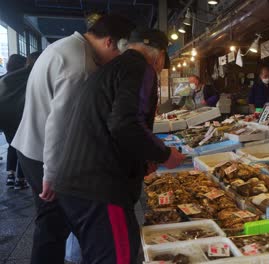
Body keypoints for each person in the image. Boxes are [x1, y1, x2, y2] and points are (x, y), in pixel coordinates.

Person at [53, 28, 185, 263]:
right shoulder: (140, 68)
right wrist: (165, 154)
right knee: (118, 257)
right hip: (99, 190)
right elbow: (125, 124)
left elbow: (113, 125)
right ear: (159, 56)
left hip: (77, 186)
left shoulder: (113, 68)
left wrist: (143, 159)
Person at [11, 15, 134, 264]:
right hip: (42, 153)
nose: (117, 61)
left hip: (32, 146)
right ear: (110, 42)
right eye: (121, 52)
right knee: (53, 227)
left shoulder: (66, 46)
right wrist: (51, 173)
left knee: (52, 224)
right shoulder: (80, 66)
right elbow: (60, 124)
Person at [0, 52, 40, 189]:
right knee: (24, 146)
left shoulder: (5, 78)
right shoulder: (28, 76)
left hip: (6, 119)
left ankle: (10, 176)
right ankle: (21, 179)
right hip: (21, 118)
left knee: (13, 145)